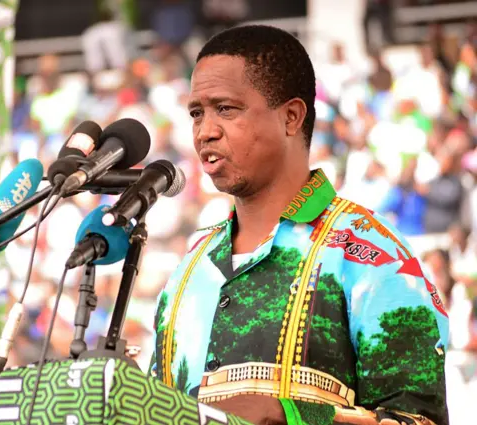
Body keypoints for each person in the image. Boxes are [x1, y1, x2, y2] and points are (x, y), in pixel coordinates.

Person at [150, 25, 448, 425]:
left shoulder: (370, 253)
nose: (205, 131)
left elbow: (420, 420)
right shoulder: (189, 267)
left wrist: (284, 412)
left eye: (226, 108)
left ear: (291, 117)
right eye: (196, 113)